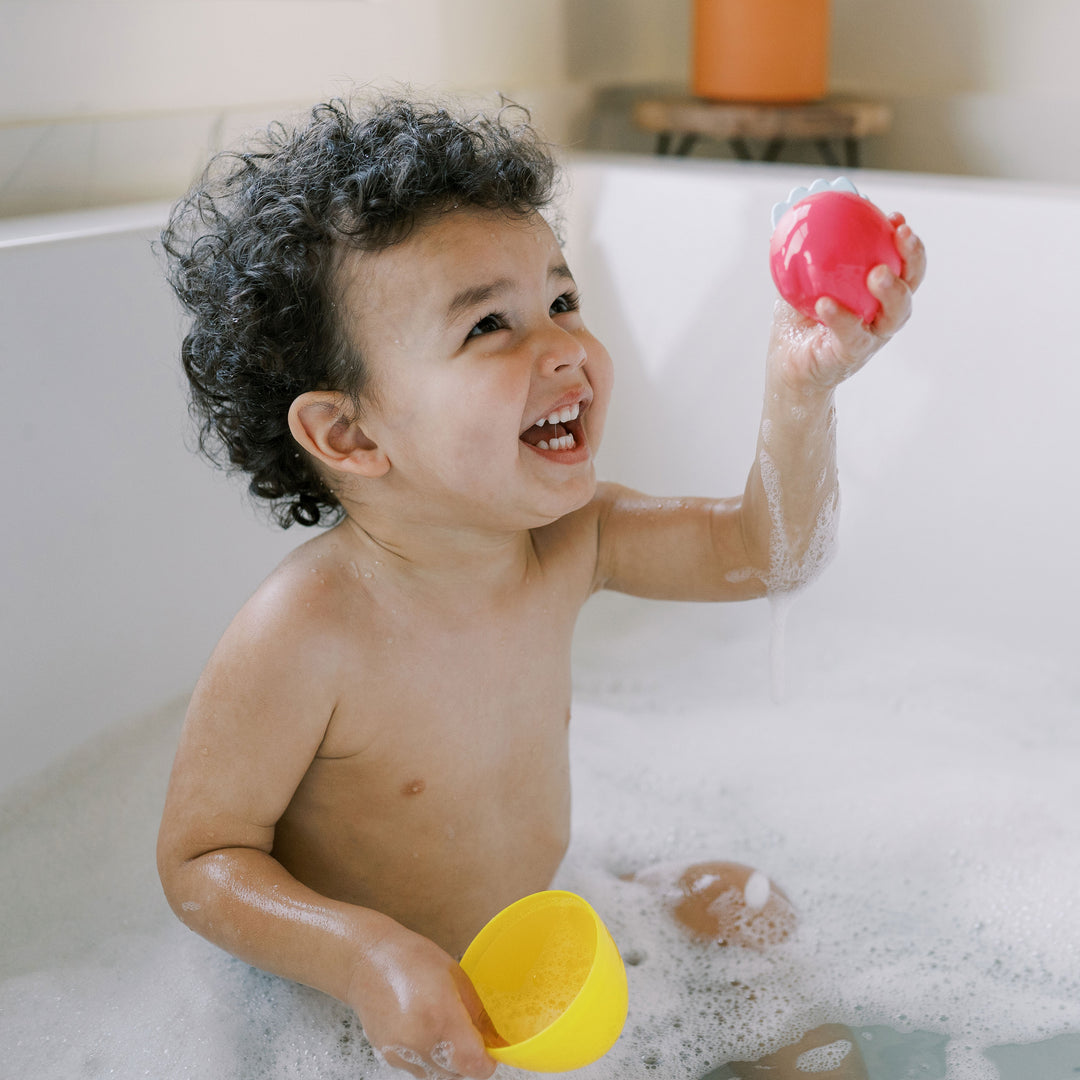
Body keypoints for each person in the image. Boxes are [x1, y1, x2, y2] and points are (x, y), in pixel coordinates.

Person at [156, 94, 925, 1080]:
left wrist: (802, 387)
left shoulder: (572, 538)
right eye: (489, 325)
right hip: (380, 1018)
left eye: (561, 302)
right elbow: (202, 863)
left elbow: (771, 554)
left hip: (543, 942)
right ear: (349, 435)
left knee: (746, 908)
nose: (562, 346)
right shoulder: (306, 629)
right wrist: (368, 958)